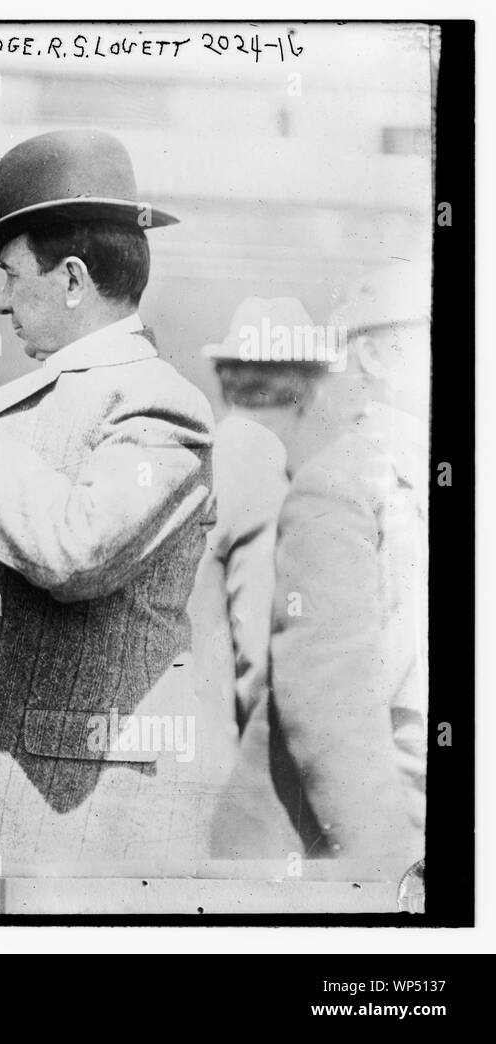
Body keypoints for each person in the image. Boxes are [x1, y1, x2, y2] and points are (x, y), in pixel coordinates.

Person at [0, 129, 217, 867]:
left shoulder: (160, 404)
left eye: (10, 275)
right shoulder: (45, 396)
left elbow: (76, 551)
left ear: (70, 278)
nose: (0, 304)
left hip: (65, 828)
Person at [217, 263, 429, 875]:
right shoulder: (342, 487)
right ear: (378, 356)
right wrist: (396, 884)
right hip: (346, 855)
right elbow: (332, 713)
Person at [188, 298, 331, 787]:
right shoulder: (263, 472)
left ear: (226, 380)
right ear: (306, 389)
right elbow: (263, 663)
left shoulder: (199, 457)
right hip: (224, 776)